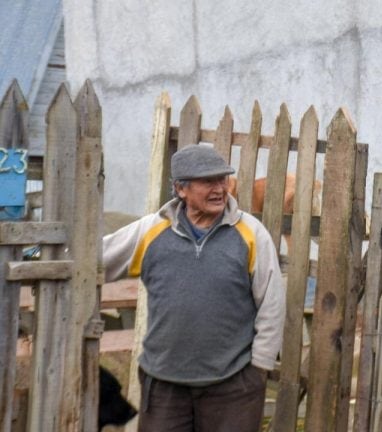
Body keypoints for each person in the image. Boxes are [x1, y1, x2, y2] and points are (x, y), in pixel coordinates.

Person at [103, 145, 285, 431]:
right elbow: (94, 262)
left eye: (222, 180)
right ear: (181, 189)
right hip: (164, 385)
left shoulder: (250, 234)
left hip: (232, 385)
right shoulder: (152, 231)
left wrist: (259, 367)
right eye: (207, 181)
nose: (219, 189)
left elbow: (271, 304)